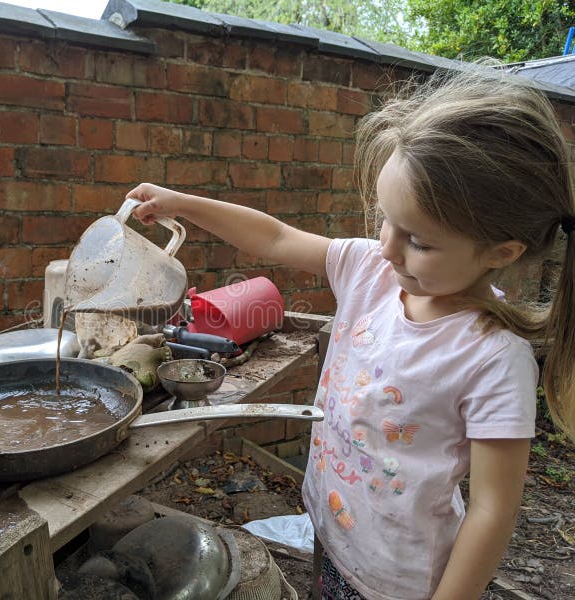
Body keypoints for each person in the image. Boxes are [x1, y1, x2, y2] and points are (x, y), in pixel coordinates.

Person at [127, 65, 575, 600]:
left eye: (419, 242)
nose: (387, 247)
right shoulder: (373, 272)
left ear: (502, 252)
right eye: (386, 221)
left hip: (399, 582)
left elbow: (492, 510)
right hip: (331, 528)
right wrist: (183, 204)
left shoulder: (493, 358)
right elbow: (273, 236)